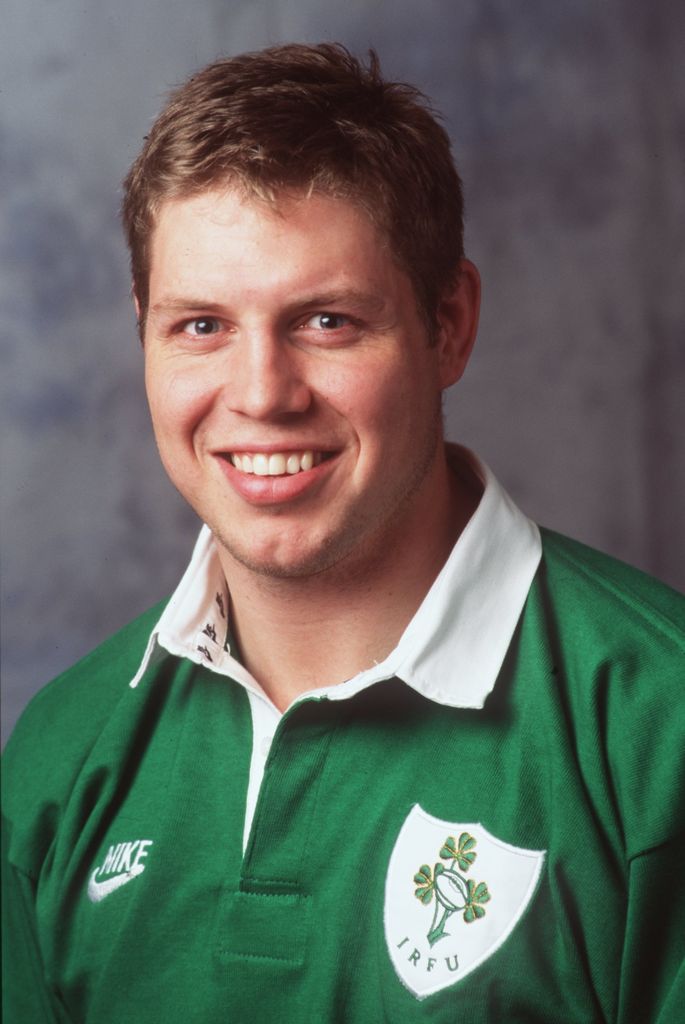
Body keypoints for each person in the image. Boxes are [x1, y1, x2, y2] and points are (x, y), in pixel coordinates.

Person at [2, 42, 683, 1024]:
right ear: (142, 332)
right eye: (201, 326)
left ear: (448, 323)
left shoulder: (655, 728)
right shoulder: (61, 761)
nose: (261, 394)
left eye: (325, 321)